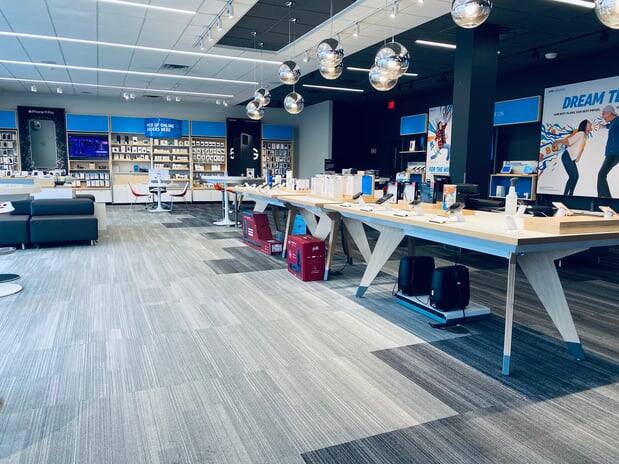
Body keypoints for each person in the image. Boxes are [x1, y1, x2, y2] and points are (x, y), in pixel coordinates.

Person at [556, 119, 591, 196]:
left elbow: (581, 148)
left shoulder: (584, 136)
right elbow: (569, 142)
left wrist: (578, 158)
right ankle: (566, 195)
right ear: (584, 126)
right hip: (567, 156)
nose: (590, 125)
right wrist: (558, 141)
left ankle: (570, 194)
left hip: (571, 158)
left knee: (575, 176)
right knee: (573, 176)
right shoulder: (581, 133)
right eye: (588, 124)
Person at [597, 105, 619, 198]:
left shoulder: (618, 120)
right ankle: (605, 198)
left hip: (615, 153)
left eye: (604, 114)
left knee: (601, 174)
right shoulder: (613, 123)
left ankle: (605, 199)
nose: (602, 116)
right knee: (602, 174)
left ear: (610, 113)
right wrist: (604, 126)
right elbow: (610, 126)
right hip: (611, 153)